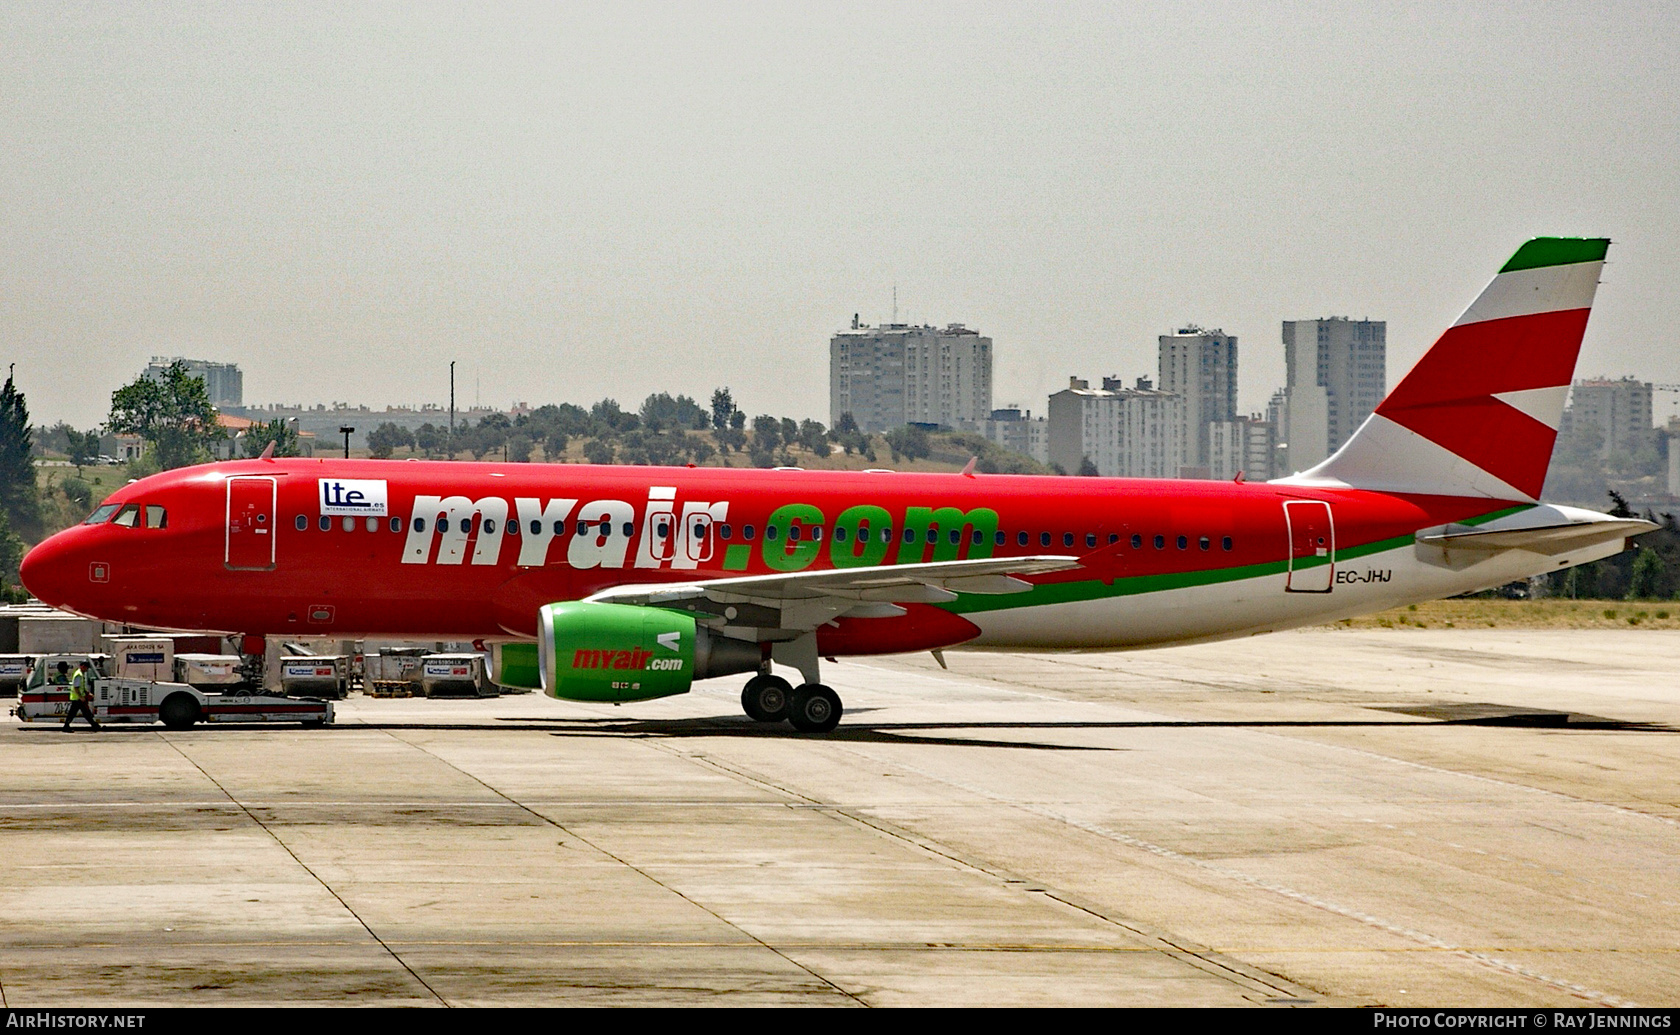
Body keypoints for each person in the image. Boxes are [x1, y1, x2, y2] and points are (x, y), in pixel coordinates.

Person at [62, 660, 100, 732]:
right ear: (83, 667)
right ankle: (94, 725)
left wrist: (87, 693)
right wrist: (80, 697)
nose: (87, 669)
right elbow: (76, 687)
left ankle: (94, 725)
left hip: (78, 698)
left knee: (83, 712)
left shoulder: (80, 674)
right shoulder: (78, 675)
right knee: (80, 713)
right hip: (77, 698)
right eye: (86, 668)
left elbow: (81, 687)